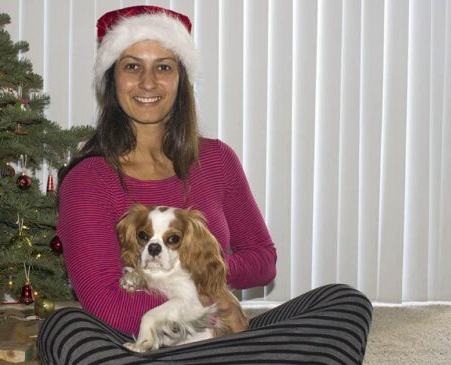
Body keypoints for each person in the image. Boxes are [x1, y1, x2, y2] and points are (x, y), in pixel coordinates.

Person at [38, 5, 372, 365]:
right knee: (63, 327)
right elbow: (106, 303)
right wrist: (204, 302)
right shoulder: (88, 178)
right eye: (132, 66)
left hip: (217, 332)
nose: (148, 82)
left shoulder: (216, 159)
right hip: (138, 337)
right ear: (111, 78)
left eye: (163, 67)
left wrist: (206, 275)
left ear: (181, 79)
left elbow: (263, 260)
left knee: (344, 301)